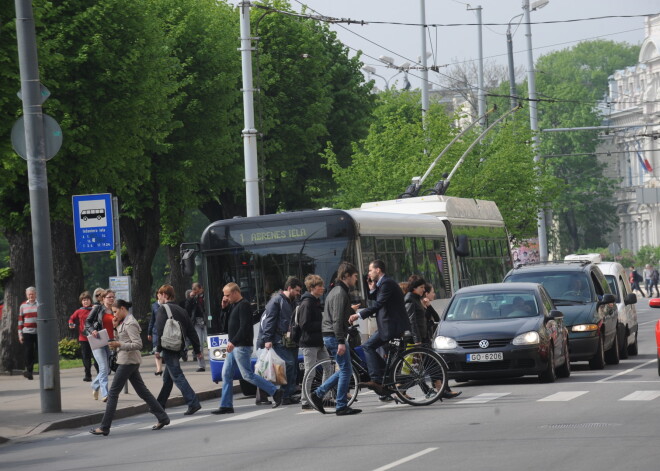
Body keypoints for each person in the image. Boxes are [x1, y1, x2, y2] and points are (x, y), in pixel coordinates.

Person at [89, 299, 169, 436]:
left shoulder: (130, 323)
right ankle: (162, 417)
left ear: (122, 309)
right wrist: (115, 329)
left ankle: (104, 426)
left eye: (115, 312)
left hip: (128, 361)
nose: (114, 315)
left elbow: (138, 344)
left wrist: (119, 344)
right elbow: (121, 339)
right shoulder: (122, 322)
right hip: (127, 360)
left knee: (113, 393)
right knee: (143, 392)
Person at [212, 283, 284, 414]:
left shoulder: (244, 305)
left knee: (247, 375)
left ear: (235, 293)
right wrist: (223, 309)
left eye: (227, 295)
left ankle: (275, 391)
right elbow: (224, 327)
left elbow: (244, 327)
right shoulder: (233, 306)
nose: (225, 298)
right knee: (226, 374)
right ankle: (226, 405)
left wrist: (233, 342)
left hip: (241, 346)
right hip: (234, 346)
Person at [348, 260, 410, 396]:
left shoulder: (386, 283)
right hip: (389, 325)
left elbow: (379, 303)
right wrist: (372, 289)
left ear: (378, 270)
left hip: (391, 326)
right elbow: (379, 299)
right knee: (383, 355)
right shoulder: (383, 283)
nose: (369, 273)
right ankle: (386, 376)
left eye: (370, 270)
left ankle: (377, 379)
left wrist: (358, 315)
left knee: (367, 346)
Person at [309, 262, 362, 416]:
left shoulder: (336, 291)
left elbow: (337, 315)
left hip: (331, 335)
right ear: (346, 276)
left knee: (346, 369)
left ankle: (319, 394)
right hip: (333, 336)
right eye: (355, 276)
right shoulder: (340, 292)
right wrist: (340, 341)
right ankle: (340, 405)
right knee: (346, 370)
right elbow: (337, 320)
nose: (356, 279)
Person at [155, 284, 202, 415]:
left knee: (177, 375)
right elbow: (192, 331)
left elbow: (160, 331)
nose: (158, 297)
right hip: (179, 346)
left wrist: (158, 349)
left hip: (168, 347)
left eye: (159, 294)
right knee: (168, 379)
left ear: (165, 295)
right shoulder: (181, 310)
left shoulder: (162, 309)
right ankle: (159, 405)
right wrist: (197, 350)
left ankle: (193, 402)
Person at [256, 276, 303, 404]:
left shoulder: (292, 301)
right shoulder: (276, 301)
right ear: (289, 288)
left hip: (290, 339)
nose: (299, 293)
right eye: (297, 290)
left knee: (292, 367)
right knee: (289, 364)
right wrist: (268, 339)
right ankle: (285, 395)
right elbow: (269, 321)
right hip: (279, 339)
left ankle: (288, 394)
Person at [298, 274, 331, 410]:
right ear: (312, 288)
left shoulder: (315, 301)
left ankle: (323, 396)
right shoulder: (307, 303)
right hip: (309, 343)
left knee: (329, 366)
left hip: (318, 342)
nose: (323, 288)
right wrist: (322, 324)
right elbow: (304, 325)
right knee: (310, 372)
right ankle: (305, 400)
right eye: (320, 286)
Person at [85, 289, 116, 401]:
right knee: (103, 367)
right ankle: (105, 394)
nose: (111, 299)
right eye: (109, 297)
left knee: (107, 369)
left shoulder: (114, 310)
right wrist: (92, 330)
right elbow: (87, 322)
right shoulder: (98, 308)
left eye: (113, 297)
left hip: (110, 342)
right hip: (98, 340)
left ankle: (95, 385)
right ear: (103, 299)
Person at [68, 291, 98, 382]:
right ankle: (87, 374)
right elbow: (71, 318)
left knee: (96, 356)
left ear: (90, 300)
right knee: (86, 356)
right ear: (81, 302)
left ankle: (100, 372)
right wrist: (71, 324)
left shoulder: (94, 309)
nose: (85, 302)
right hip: (83, 337)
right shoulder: (79, 311)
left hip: (94, 336)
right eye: (83, 300)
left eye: (87, 300)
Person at [185, 282, 207, 372]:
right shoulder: (193, 298)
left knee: (208, 341)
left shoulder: (206, 296)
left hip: (206, 321)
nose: (195, 291)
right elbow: (187, 308)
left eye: (196, 290)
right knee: (199, 344)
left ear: (201, 289)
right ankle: (201, 365)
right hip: (197, 322)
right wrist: (190, 298)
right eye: (193, 289)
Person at [18, 287, 38, 380]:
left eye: (32, 294)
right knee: (28, 352)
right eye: (29, 294)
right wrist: (20, 334)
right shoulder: (23, 306)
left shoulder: (40, 305)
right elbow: (20, 321)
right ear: (26, 295)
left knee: (39, 351)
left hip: (39, 332)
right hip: (27, 332)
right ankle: (29, 372)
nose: (31, 296)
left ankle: (43, 369)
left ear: (35, 294)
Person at [147, 292, 163, 376]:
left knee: (164, 351)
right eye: (159, 294)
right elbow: (152, 320)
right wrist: (149, 332)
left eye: (161, 294)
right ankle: (159, 369)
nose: (160, 296)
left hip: (165, 331)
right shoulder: (154, 305)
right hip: (156, 331)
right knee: (156, 351)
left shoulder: (166, 305)